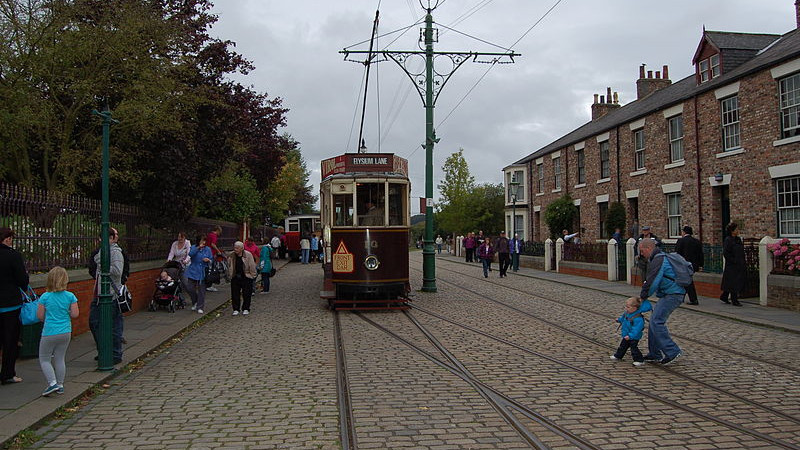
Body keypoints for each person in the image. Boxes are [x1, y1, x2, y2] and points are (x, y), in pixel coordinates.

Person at [638, 238, 685, 365]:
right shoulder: (659, 257)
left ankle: (672, 351)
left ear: (648, 248)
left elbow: (653, 280)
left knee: (656, 321)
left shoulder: (658, 260)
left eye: (642, 251)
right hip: (670, 293)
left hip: (673, 294)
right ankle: (655, 353)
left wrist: (643, 296)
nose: (641, 254)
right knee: (654, 321)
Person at [37, 266, 79, 396]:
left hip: (49, 332)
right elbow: (75, 314)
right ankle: (60, 384)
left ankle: (52, 383)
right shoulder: (70, 296)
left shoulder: (45, 297)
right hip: (65, 331)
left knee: (44, 359)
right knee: (60, 358)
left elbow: (40, 316)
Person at [89, 227, 125, 365]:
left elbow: (118, 271)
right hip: (99, 294)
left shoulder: (116, 253)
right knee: (94, 323)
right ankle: (104, 350)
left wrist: (103, 265)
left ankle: (115, 353)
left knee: (114, 326)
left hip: (111, 294)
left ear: (111, 238)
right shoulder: (101, 252)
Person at [0, 227, 29, 385]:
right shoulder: (13, 256)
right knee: (10, 341)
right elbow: (22, 280)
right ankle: (7, 374)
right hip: (10, 304)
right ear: (7, 239)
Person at [610, 297, 651, 367]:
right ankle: (618, 355)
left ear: (634, 308)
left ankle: (639, 360)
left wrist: (630, 336)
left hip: (634, 337)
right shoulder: (627, 313)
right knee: (623, 346)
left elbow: (636, 329)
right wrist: (619, 320)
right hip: (626, 334)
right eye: (626, 306)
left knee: (634, 348)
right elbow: (623, 318)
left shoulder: (638, 318)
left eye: (628, 307)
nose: (626, 308)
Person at [227, 241, 257, 315]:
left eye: (237, 248)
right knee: (235, 294)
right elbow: (229, 265)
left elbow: (252, 265)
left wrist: (252, 275)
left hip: (246, 276)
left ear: (242, 248)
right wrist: (230, 274)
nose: (235, 249)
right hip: (235, 276)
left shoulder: (248, 255)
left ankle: (246, 308)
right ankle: (236, 309)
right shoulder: (231, 255)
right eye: (234, 247)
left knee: (246, 293)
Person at [676, 226, 704, 305]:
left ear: (684, 232)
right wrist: (701, 265)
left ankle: (693, 299)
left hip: (683, 265)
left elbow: (677, 254)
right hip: (693, 265)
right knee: (686, 281)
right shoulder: (697, 241)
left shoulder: (681, 241)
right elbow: (701, 254)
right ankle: (682, 297)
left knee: (687, 282)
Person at [185, 235, 212, 314]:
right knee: (190, 288)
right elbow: (190, 254)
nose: (203, 242)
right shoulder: (194, 247)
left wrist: (208, 260)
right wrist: (198, 248)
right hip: (193, 270)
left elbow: (211, 259)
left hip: (203, 271)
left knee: (201, 290)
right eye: (202, 240)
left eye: (204, 241)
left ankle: (200, 306)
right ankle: (195, 301)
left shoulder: (207, 249)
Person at [720, 222, 745, 307]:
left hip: (739, 264)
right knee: (733, 282)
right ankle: (735, 300)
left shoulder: (738, 240)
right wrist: (733, 260)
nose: (738, 230)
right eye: (736, 229)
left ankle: (724, 296)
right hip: (731, 265)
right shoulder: (728, 240)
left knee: (733, 282)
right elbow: (726, 253)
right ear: (732, 231)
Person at [205, 226, 223, 292]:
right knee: (211, 270)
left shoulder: (209, 235)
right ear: (217, 230)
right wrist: (218, 251)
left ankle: (206, 284)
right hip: (211, 254)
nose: (219, 234)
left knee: (207, 269)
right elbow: (213, 244)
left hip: (206, 253)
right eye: (219, 232)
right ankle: (209, 285)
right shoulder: (214, 236)